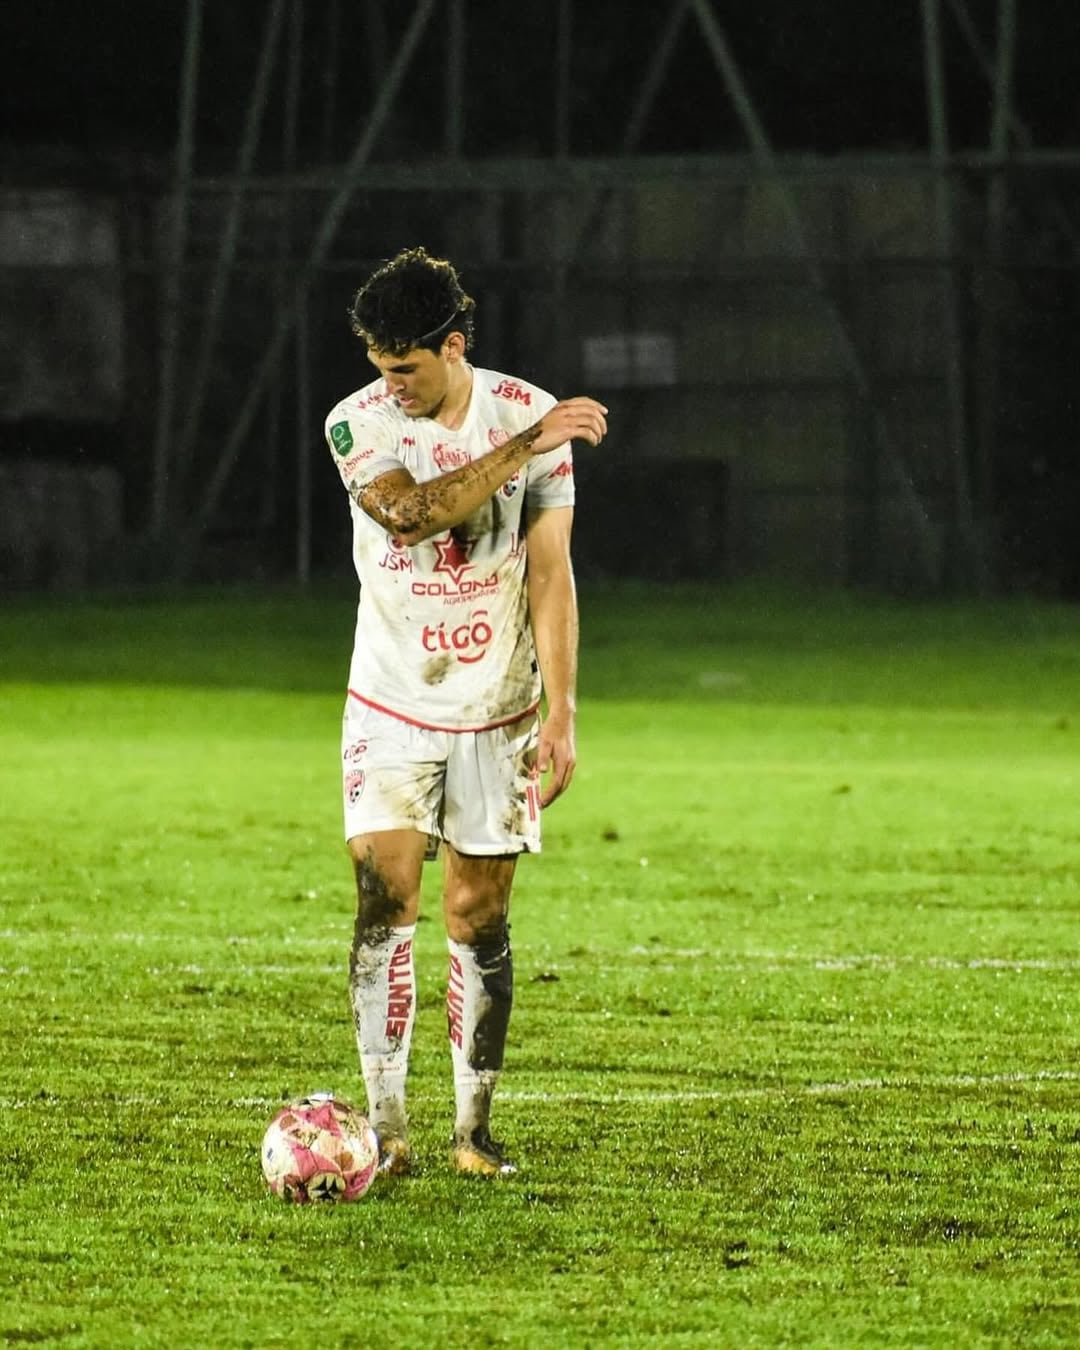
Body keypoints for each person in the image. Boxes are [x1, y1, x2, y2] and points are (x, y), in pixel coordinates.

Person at [324, 246, 607, 1178]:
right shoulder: (355, 425)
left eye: (405, 366)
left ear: (452, 346)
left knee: (477, 918)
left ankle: (473, 1134)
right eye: (379, 365)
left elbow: (552, 575)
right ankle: (388, 1131)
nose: (389, 384)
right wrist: (528, 445)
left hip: (499, 709)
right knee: (383, 903)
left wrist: (561, 713)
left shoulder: (526, 411)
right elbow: (410, 517)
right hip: (390, 705)